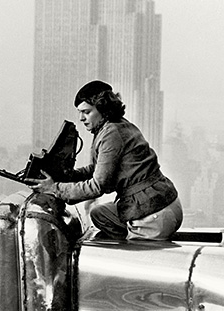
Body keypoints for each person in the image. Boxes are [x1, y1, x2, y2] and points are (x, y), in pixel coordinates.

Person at [25, 80, 183, 241]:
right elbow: (98, 169)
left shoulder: (111, 133)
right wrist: (69, 176)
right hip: (164, 203)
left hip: (154, 213)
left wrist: (54, 188)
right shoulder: (117, 126)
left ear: (102, 109)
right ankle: (129, 237)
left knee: (130, 259)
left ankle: (133, 239)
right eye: (80, 112)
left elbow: (98, 186)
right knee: (99, 214)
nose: (81, 118)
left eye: (86, 112)